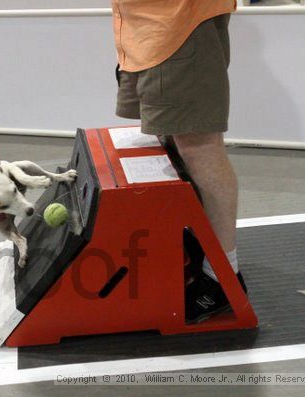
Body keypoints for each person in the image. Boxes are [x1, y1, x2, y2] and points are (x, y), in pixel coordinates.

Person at [111, 0, 245, 323]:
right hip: (147, 27)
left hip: (178, 23)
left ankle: (222, 278)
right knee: (172, 136)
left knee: (198, 145)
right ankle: (201, 246)